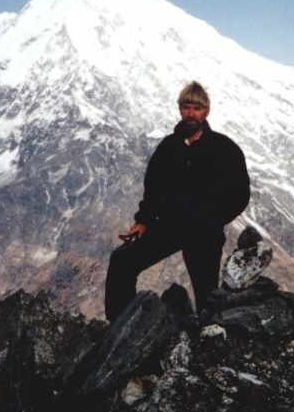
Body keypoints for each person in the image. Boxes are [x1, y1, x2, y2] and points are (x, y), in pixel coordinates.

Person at [104, 81, 250, 323]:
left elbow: (240, 195)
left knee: (206, 297)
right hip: (168, 227)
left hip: (204, 232)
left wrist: (212, 220)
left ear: (207, 111)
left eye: (196, 108)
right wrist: (142, 222)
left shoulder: (224, 148)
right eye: (185, 107)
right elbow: (152, 190)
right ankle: (119, 327)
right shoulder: (168, 147)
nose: (190, 113)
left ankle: (207, 343)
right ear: (179, 110)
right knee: (122, 260)